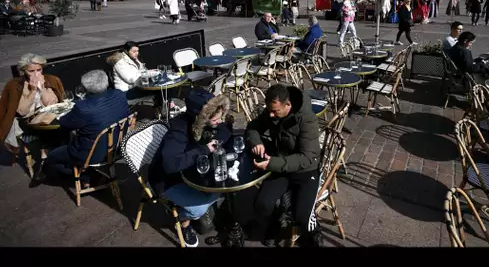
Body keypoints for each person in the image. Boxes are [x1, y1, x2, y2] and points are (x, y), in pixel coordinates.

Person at [148, 88, 232, 247]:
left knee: (224, 188)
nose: (218, 122)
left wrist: (217, 140)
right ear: (200, 118)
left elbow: (225, 130)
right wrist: (204, 149)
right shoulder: (179, 130)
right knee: (199, 209)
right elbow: (170, 165)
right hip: (166, 179)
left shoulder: (209, 121)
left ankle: (194, 205)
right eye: (215, 120)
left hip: (190, 172)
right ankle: (183, 221)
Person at [246, 84, 322, 247]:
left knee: (302, 217)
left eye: (275, 111)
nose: (271, 115)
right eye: (269, 110)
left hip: (304, 171)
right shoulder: (273, 110)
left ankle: (314, 231)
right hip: (280, 166)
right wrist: (256, 141)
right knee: (262, 204)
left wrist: (271, 163)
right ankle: (276, 222)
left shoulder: (307, 119)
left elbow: (307, 157)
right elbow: (253, 126)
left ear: (288, 105)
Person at [29, 70, 130, 188]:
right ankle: (88, 175)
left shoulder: (83, 108)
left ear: (85, 88)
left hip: (92, 154)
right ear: (107, 82)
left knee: (52, 157)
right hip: (117, 147)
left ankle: (85, 176)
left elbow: (64, 124)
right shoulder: (119, 94)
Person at [0, 53, 64, 156]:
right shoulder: (16, 85)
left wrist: (42, 88)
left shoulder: (49, 80)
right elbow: (22, 112)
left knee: (64, 123)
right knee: (47, 129)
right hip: (26, 121)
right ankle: (47, 154)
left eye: (39, 70)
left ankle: (56, 152)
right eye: (31, 71)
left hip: (47, 116)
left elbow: (50, 104)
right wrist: (33, 91)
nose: (36, 74)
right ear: (24, 71)